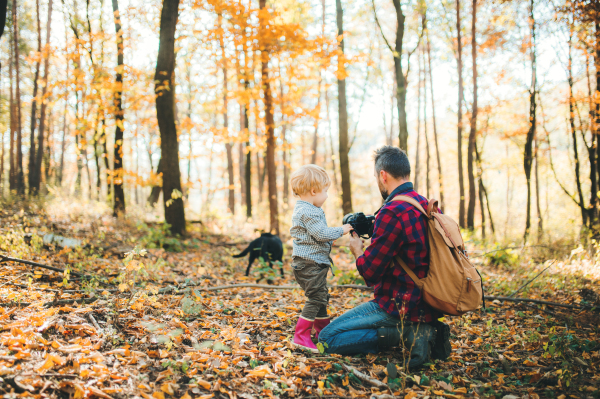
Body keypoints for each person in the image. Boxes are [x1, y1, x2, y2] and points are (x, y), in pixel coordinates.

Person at [318, 146, 451, 368]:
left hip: (398, 305)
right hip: (429, 301)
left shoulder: (392, 211)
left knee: (327, 338)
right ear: (406, 173)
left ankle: (408, 334)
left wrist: (358, 250)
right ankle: (416, 330)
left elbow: (370, 273)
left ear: (383, 175)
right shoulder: (425, 204)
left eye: (376, 177)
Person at [289, 164, 353, 352]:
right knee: (316, 298)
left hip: (312, 263)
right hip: (308, 265)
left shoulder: (307, 209)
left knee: (321, 297)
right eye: (325, 191)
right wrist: (342, 230)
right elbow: (321, 233)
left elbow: (314, 237)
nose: (326, 195)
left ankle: (323, 332)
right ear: (314, 190)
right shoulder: (307, 211)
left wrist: (326, 243)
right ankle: (300, 336)